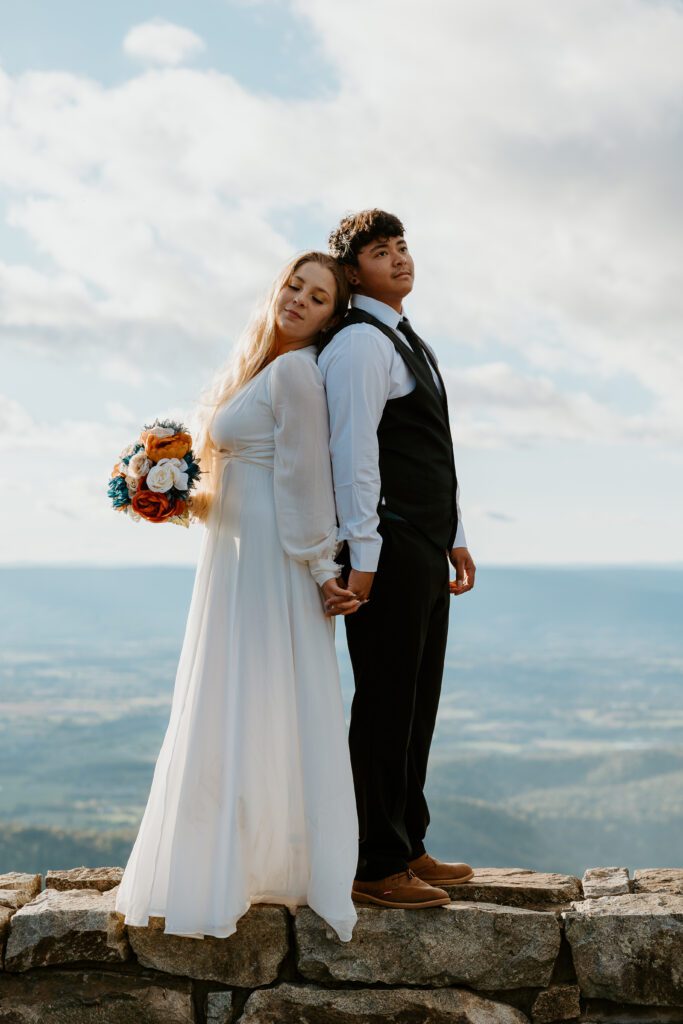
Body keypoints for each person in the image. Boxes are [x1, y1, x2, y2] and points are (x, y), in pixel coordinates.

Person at [114, 252, 361, 942]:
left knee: (254, 701)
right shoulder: (260, 368)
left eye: (317, 297)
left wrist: (319, 570)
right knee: (230, 700)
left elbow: (305, 480)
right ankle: (223, 864)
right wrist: (168, 499)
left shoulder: (296, 372)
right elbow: (241, 482)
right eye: (294, 286)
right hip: (234, 556)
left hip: (273, 564)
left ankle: (261, 866)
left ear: (329, 317)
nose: (299, 300)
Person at [318, 209, 477, 910]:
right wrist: (364, 555)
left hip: (422, 541)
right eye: (382, 252)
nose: (400, 258)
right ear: (354, 272)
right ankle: (374, 864)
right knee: (384, 702)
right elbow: (352, 455)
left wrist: (456, 531)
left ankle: (405, 841)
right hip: (386, 545)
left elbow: (426, 447)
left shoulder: (401, 337)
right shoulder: (358, 345)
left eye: (402, 246)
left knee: (416, 701)